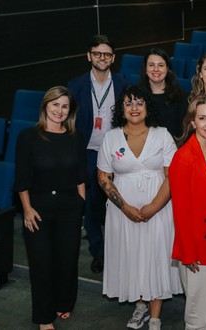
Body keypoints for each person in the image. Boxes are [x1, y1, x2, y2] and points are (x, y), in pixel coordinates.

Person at [97, 87, 182, 330]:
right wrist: (125, 208)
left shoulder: (163, 135)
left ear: (147, 107)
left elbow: (171, 176)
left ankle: (155, 315)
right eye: (128, 103)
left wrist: (153, 207)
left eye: (139, 103)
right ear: (121, 110)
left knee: (156, 256)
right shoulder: (110, 137)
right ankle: (140, 306)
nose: (134, 108)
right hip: (122, 211)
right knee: (132, 254)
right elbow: (103, 177)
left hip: (159, 208)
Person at [16, 86, 88, 330]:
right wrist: (27, 209)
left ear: (70, 110)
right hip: (39, 209)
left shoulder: (76, 136)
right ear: (45, 106)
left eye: (65, 106)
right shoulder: (28, 137)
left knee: (67, 260)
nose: (59, 110)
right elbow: (22, 179)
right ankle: (44, 318)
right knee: (42, 264)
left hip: (69, 208)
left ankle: (63, 302)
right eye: (55, 104)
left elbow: (81, 177)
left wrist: (80, 207)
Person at [67, 34, 130, 274]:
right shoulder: (75, 86)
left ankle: (120, 249)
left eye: (106, 54)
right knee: (92, 205)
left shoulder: (124, 83)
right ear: (89, 56)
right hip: (89, 153)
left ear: (112, 58)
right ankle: (99, 251)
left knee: (118, 203)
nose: (101, 58)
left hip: (118, 153)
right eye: (97, 53)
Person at [169, 95, 206, 330]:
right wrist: (188, 253)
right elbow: (181, 211)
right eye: (203, 118)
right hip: (197, 248)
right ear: (192, 121)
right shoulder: (183, 157)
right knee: (199, 316)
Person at [138, 48, 187, 139]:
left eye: (161, 65)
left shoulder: (179, 95)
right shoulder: (137, 95)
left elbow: (182, 131)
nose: (156, 69)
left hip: (172, 148)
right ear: (145, 68)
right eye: (151, 65)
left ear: (167, 68)